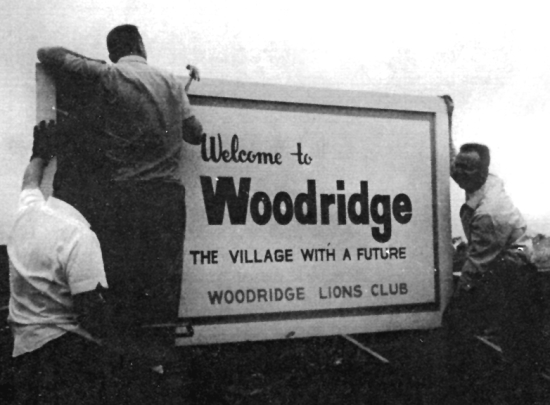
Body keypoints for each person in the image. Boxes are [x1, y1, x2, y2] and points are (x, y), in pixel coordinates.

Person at [36, 25, 203, 336]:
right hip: (167, 199)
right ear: (140, 44)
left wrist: (98, 63)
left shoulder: (108, 75)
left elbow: (46, 53)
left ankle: (125, 359)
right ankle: (158, 355)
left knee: (124, 285)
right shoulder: (170, 80)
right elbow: (196, 134)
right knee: (162, 285)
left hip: (126, 198)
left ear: (113, 52)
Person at [8, 121, 111, 404]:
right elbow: (90, 313)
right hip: (65, 358)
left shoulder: (28, 211)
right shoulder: (80, 237)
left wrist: (38, 153)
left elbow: (29, 182)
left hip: (25, 349)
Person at [445, 142, 543, 403]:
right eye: (460, 166)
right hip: (500, 262)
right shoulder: (476, 180)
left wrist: (457, 300)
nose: (460, 172)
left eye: (469, 168)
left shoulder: (490, 213)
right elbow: (452, 160)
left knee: (516, 344)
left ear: (482, 171)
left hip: (515, 273)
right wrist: (448, 116)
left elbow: (476, 267)